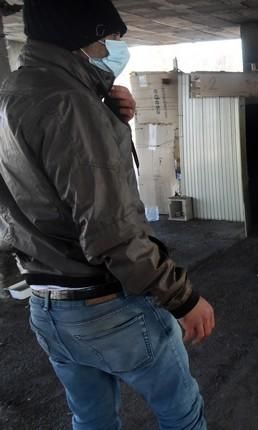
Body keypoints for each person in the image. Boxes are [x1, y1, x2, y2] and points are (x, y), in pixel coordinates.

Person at [0, 1, 214, 429]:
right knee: (182, 414)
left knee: (91, 421)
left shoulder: (13, 94)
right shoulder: (70, 103)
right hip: (105, 304)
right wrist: (183, 298)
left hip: (47, 307)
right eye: (104, 40)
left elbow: (40, 188)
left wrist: (110, 124)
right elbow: (111, 229)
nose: (110, 50)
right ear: (78, 40)